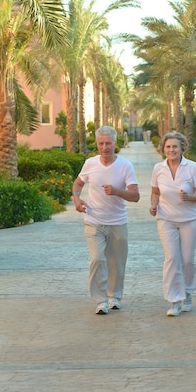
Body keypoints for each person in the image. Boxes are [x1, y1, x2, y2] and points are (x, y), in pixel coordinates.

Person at [73, 126, 140, 314]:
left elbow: (135, 196)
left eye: (108, 143)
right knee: (97, 259)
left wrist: (116, 191)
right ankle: (100, 300)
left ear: (115, 144)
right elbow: (78, 184)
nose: (104, 147)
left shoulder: (125, 166)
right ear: (97, 144)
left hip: (118, 222)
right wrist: (77, 199)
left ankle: (114, 296)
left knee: (116, 262)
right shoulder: (90, 164)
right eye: (101, 143)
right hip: (94, 220)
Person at [149, 131, 196, 316]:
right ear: (163, 149)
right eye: (168, 147)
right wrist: (153, 205)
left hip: (190, 220)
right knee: (172, 259)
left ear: (182, 148)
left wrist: (189, 197)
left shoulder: (192, 167)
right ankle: (174, 301)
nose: (171, 150)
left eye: (175, 146)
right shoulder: (158, 168)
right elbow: (155, 192)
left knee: (187, 260)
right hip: (166, 219)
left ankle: (187, 293)